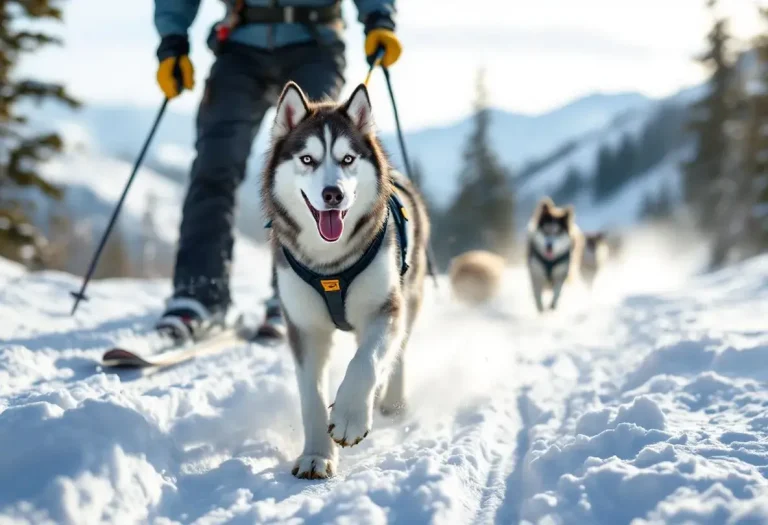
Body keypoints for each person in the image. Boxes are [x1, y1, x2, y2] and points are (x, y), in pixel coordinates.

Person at [152, 0, 401, 342]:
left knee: (314, 168)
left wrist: (379, 16)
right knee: (214, 166)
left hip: (315, 44)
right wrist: (173, 40)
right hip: (239, 46)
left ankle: (293, 298)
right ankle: (199, 295)